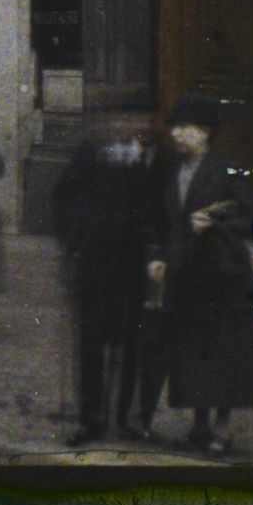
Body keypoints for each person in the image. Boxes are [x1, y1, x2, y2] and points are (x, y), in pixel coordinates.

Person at [148, 94, 253, 456]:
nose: (176, 134)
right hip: (188, 277)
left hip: (225, 277)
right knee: (192, 353)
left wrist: (214, 222)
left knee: (224, 353)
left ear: (206, 132)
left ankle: (222, 431)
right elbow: (170, 225)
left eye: (185, 128)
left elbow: (250, 217)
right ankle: (199, 426)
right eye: (174, 128)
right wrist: (161, 258)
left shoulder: (226, 169)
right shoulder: (173, 173)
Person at [54, 110, 161, 446]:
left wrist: (154, 245)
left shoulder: (151, 159)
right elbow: (62, 196)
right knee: (91, 343)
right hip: (95, 263)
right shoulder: (90, 153)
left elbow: (158, 207)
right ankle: (90, 420)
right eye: (121, 120)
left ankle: (124, 419)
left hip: (132, 264)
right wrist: (75, 240)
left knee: (130, 344)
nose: (128, 126)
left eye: (135, 120)